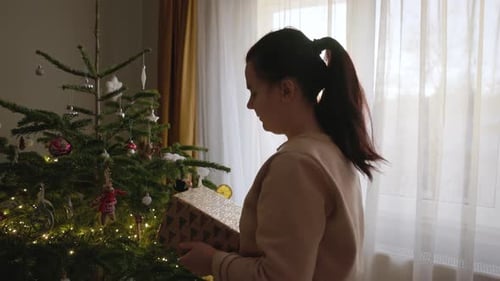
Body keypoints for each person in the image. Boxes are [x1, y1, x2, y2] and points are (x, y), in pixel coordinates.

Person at [178, 27, 384, 281]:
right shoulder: (332, 151)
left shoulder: (296, 165)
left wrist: (213, 261)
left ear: (287, 90)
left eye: (254, 92)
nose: (250, 104)